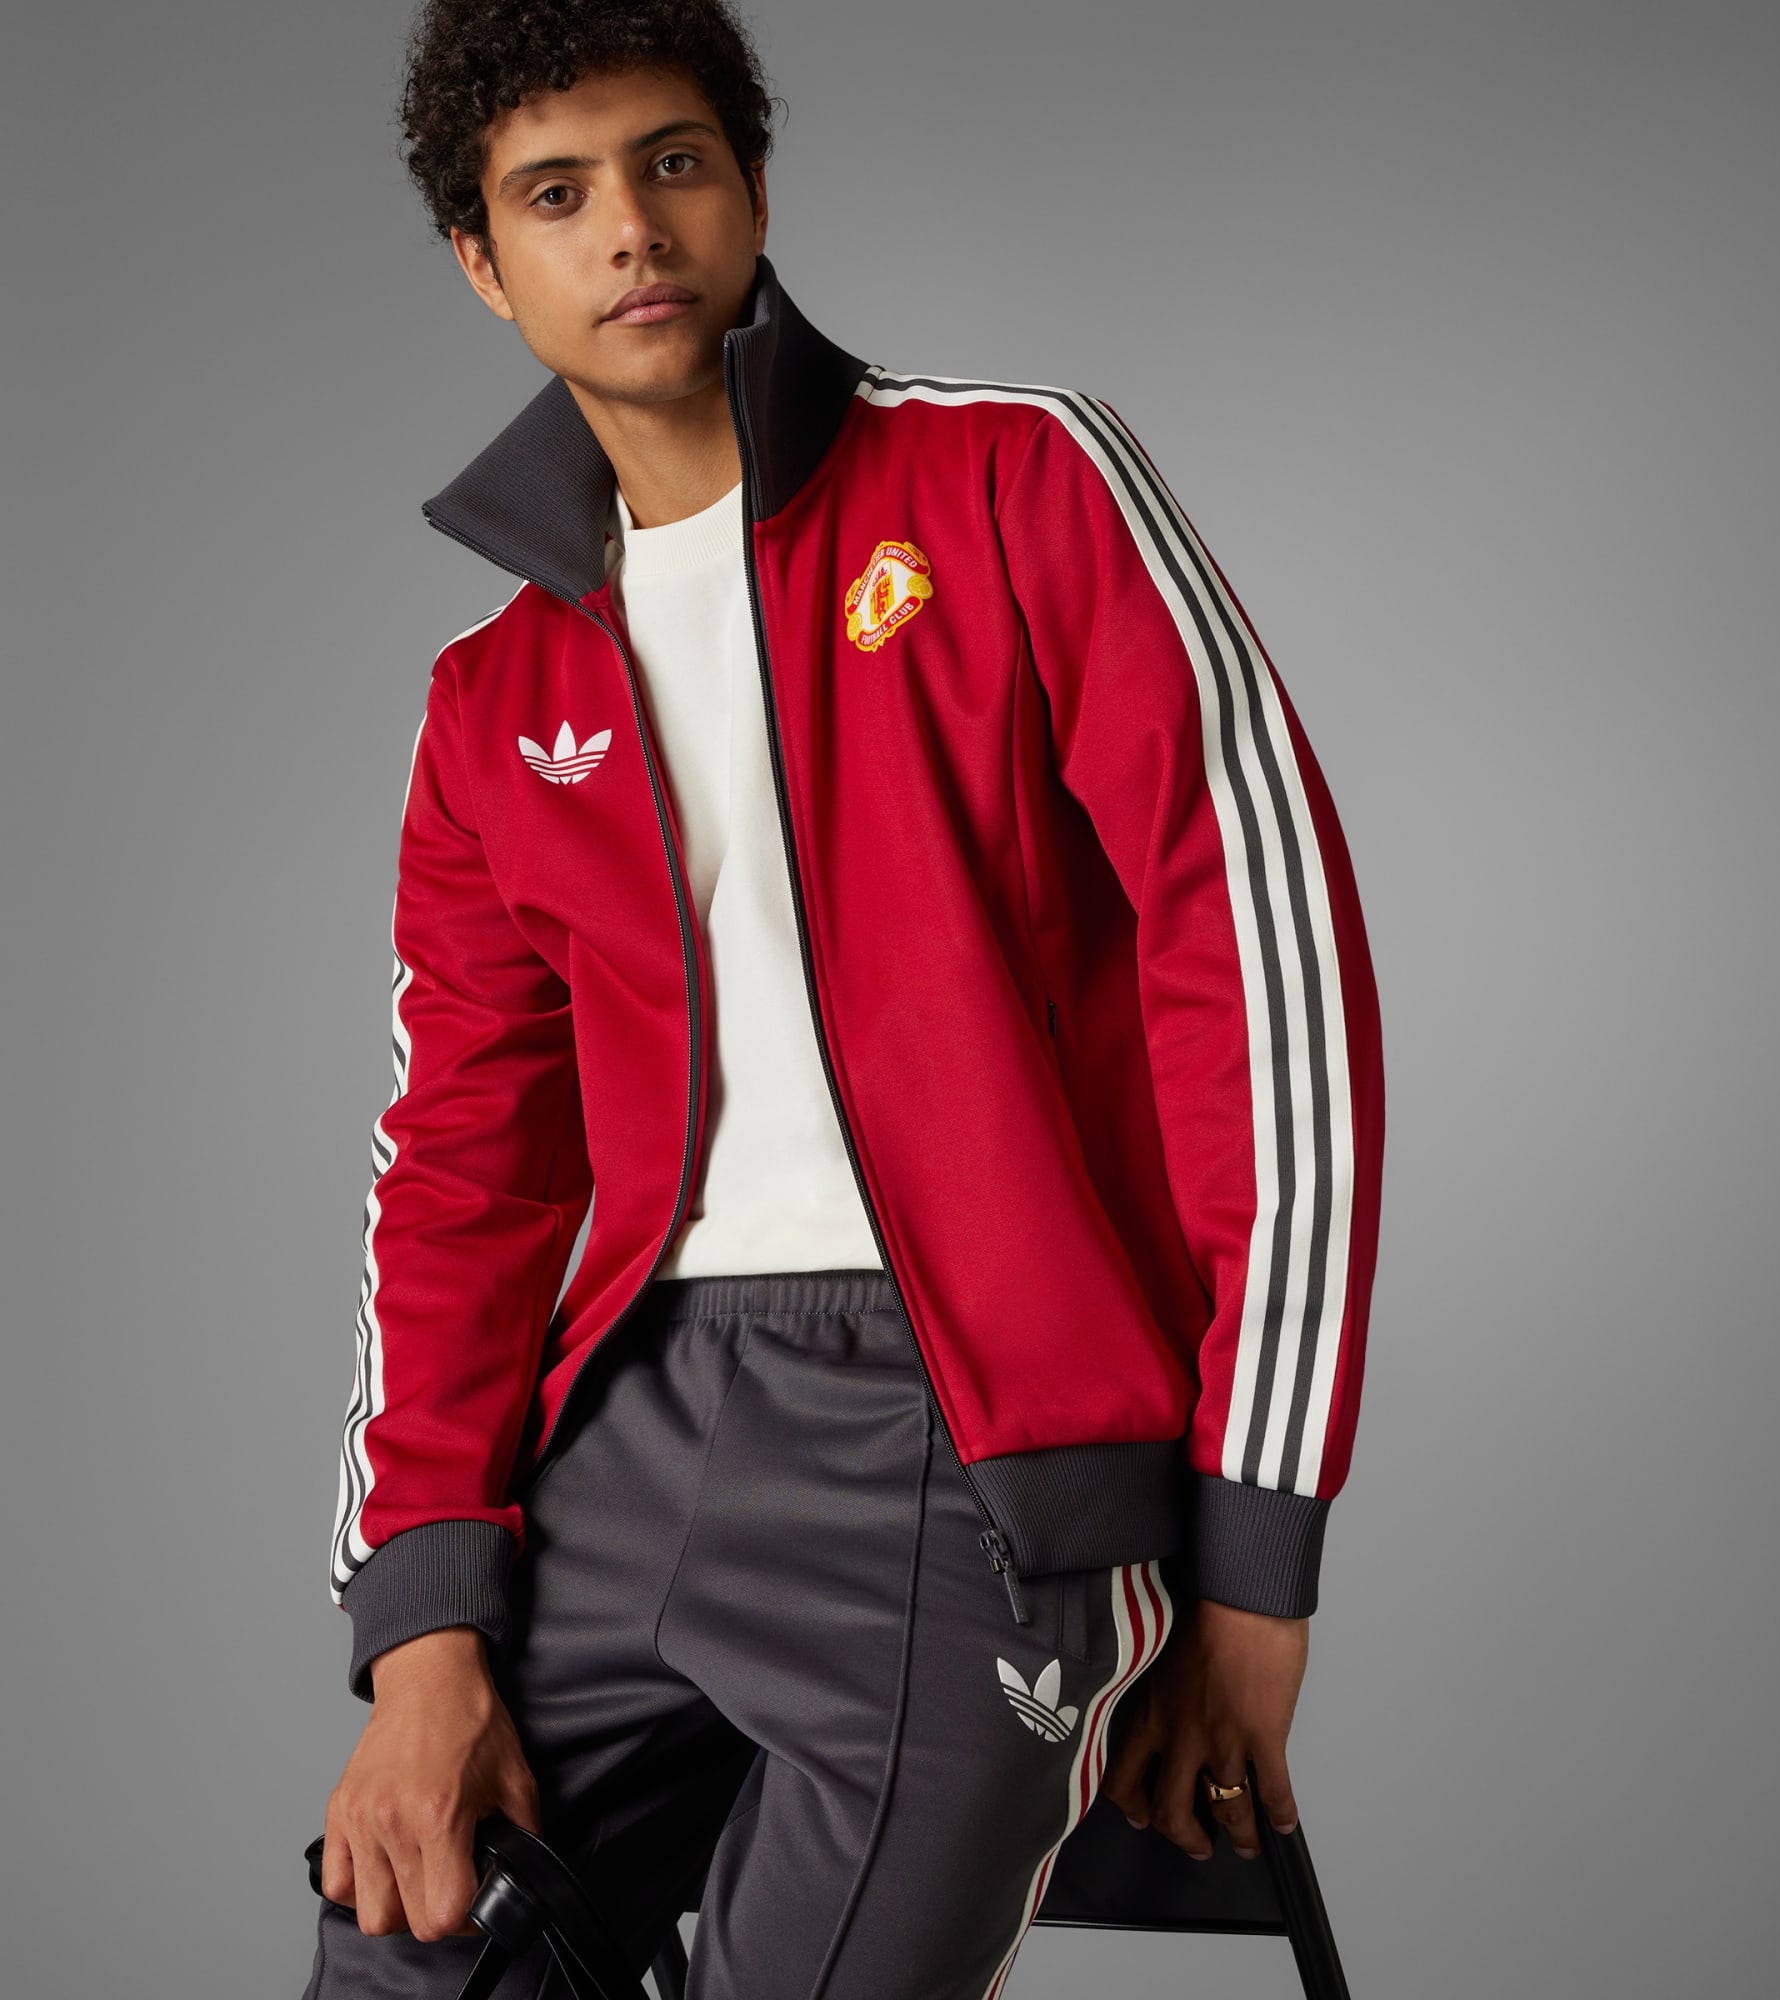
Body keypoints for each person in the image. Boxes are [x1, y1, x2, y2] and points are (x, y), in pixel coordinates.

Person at [306, 3, 1385, 1994]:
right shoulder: (490, 697)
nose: (631, 229)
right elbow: (458, 1168)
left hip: (968, 1443)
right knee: (405, 1958)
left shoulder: (1016, 479)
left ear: (751, 187)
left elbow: (1263, 971)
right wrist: (421, 1628)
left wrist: (1254, 1556)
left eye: (673, 163)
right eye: (556, 194)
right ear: (484, 261)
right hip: (618, 1443)